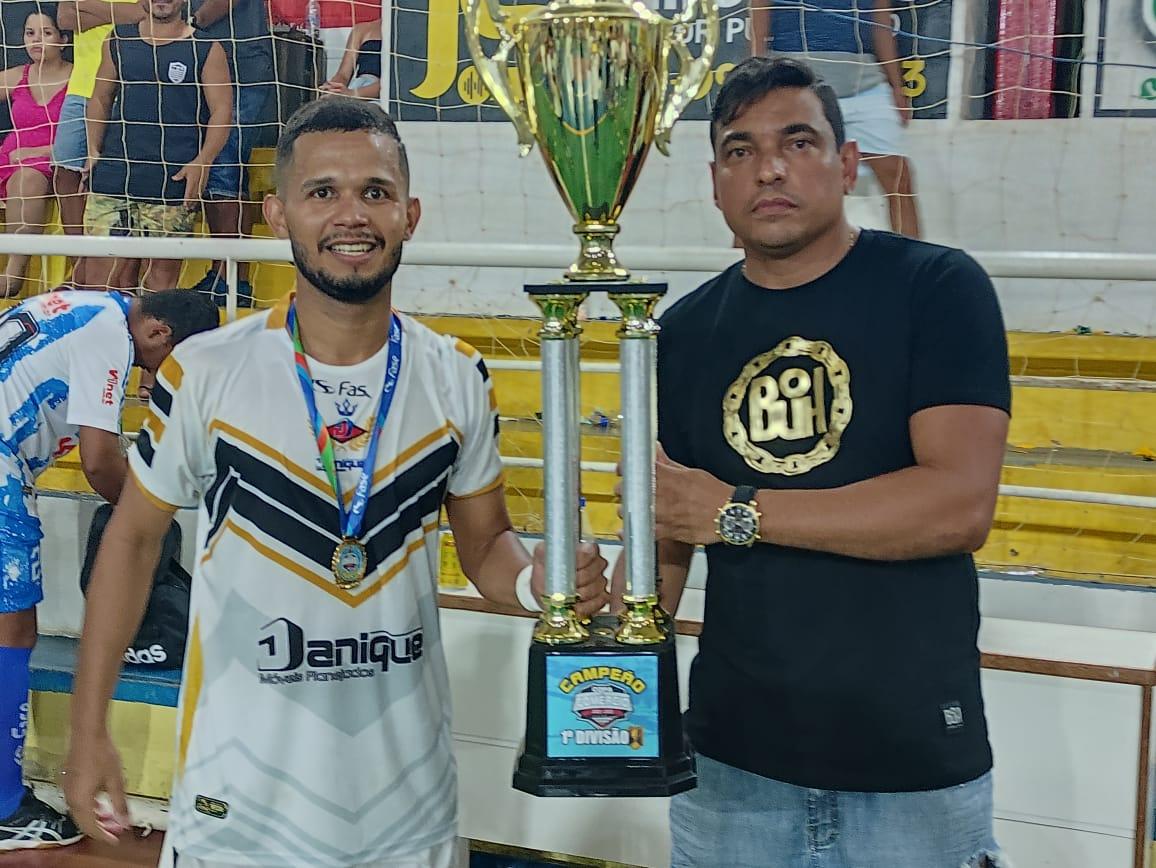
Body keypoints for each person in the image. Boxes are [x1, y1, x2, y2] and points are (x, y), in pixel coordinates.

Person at [62, 97, 611, 868]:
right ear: (278, 213)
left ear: (409, 214)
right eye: (322, 192)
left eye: (374, 192)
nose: (351, 214)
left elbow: (488, 547)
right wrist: (88, 729)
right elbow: (131, 542)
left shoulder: (457, 375)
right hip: (240, 811)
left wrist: (537, 585)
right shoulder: (206, 371)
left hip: (407, 810)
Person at [643, 57, 1010, 867]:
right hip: (729, 769)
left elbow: (957, 506)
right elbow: (671, 530)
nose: (769, 168)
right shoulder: (683, 330)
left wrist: (736, 511)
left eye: (797, 141)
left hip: (911, 769)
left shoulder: (936, 288)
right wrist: (609, 652)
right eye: (740, 150)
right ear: (715, 184)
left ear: (847, 165)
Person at [0, 288, 219, 851]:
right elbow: (98, 462)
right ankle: (3, 807)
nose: (164, 378)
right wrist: (148, 525)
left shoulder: (86, 305)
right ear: (159, 334)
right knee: (12, 631)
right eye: (172, 364)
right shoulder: (110, 336)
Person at [84, 0, 232, 293]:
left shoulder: (207, 48)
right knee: (100, 279)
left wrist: (203, 160)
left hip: (172, 177)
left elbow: (222, 111)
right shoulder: (119, 38)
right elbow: (100, 97)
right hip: (116, 172)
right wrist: (92, 149)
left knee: (160, 284)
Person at [751, 0, 922, 237]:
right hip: (794, 86)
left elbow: (881, 23)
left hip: (864, 85)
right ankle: (742, 257)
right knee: (765, 180)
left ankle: (912, 257)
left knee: (899, 178)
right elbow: (759, 18)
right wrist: (753, 84)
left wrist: (896, 86)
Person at [186, 0, 275, 307]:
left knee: (224, 169)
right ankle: (222, 274)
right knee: (217, 173)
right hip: (197, 63)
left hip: (240, 67)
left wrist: (189, 23)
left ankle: (232, 280)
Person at [53, 0, 145, 291]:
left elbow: (142, 16)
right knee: (64, 171)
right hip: (81, 87)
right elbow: (66, 19)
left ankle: (122, 275)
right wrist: (115, 13)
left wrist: (87, 7)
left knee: (122, 177)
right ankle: (80, 266)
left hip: (126, 84)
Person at [0, 8, 71, 298]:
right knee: (21, 172)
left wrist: (37, 150)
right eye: (30, 33)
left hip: (56, 158)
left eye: (46, 33)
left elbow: (88, 134)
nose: (36, 40)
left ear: (63, 39)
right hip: (11, 158)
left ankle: (13, 275)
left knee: (27, 177)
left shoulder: (79, 77)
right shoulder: (18, 75)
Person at [320, 18, 383, 100]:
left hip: (381, 96)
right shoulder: (362, 29)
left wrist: (352, 94)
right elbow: (343, 74)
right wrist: (334, 89)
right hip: (358, 88)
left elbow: (393, 82)